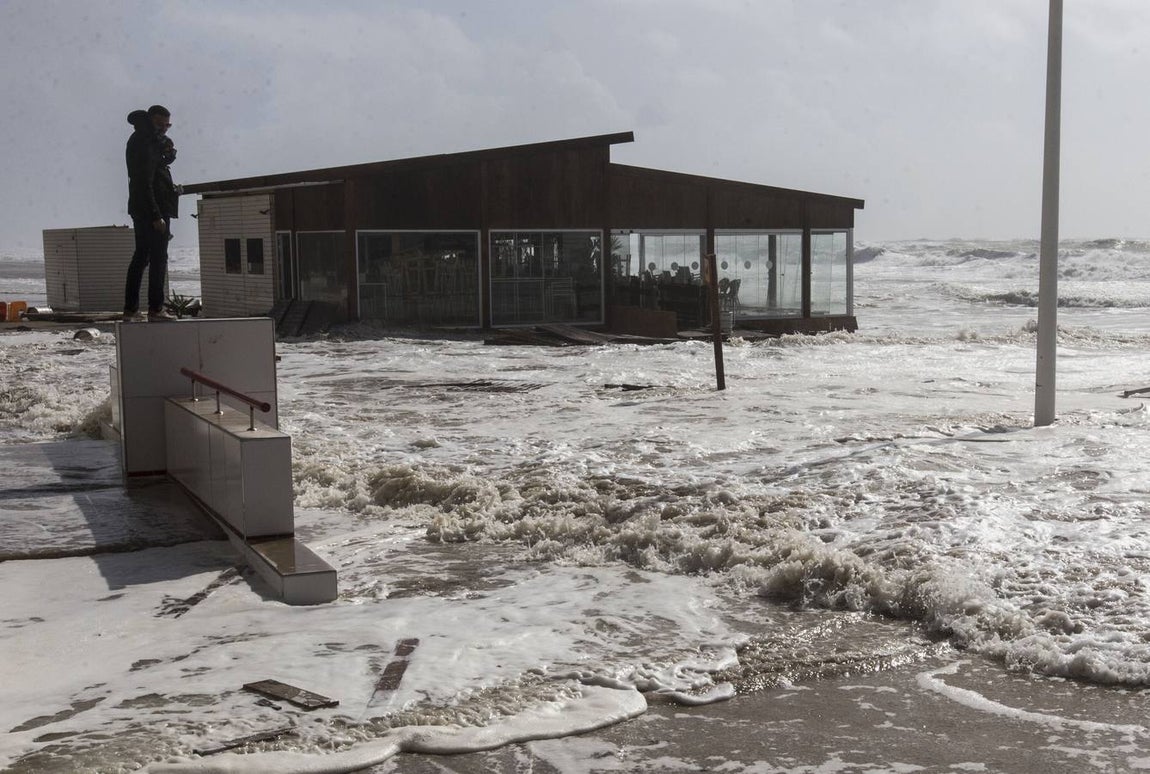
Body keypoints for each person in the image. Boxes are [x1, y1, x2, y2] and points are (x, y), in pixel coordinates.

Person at [123, 104, 180, 321]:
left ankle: (131, 309)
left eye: (167, 126)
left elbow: (152, 171)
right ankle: (156, 309)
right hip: (152, 208)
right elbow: (144, 181)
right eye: (160, 124)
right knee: (157, 258)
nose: (164, 129)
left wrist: (168, 154)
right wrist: (156, 215)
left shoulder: (143, 139)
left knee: (141, 257)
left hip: (143, 207)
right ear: (151, 121)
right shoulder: (146, 142)